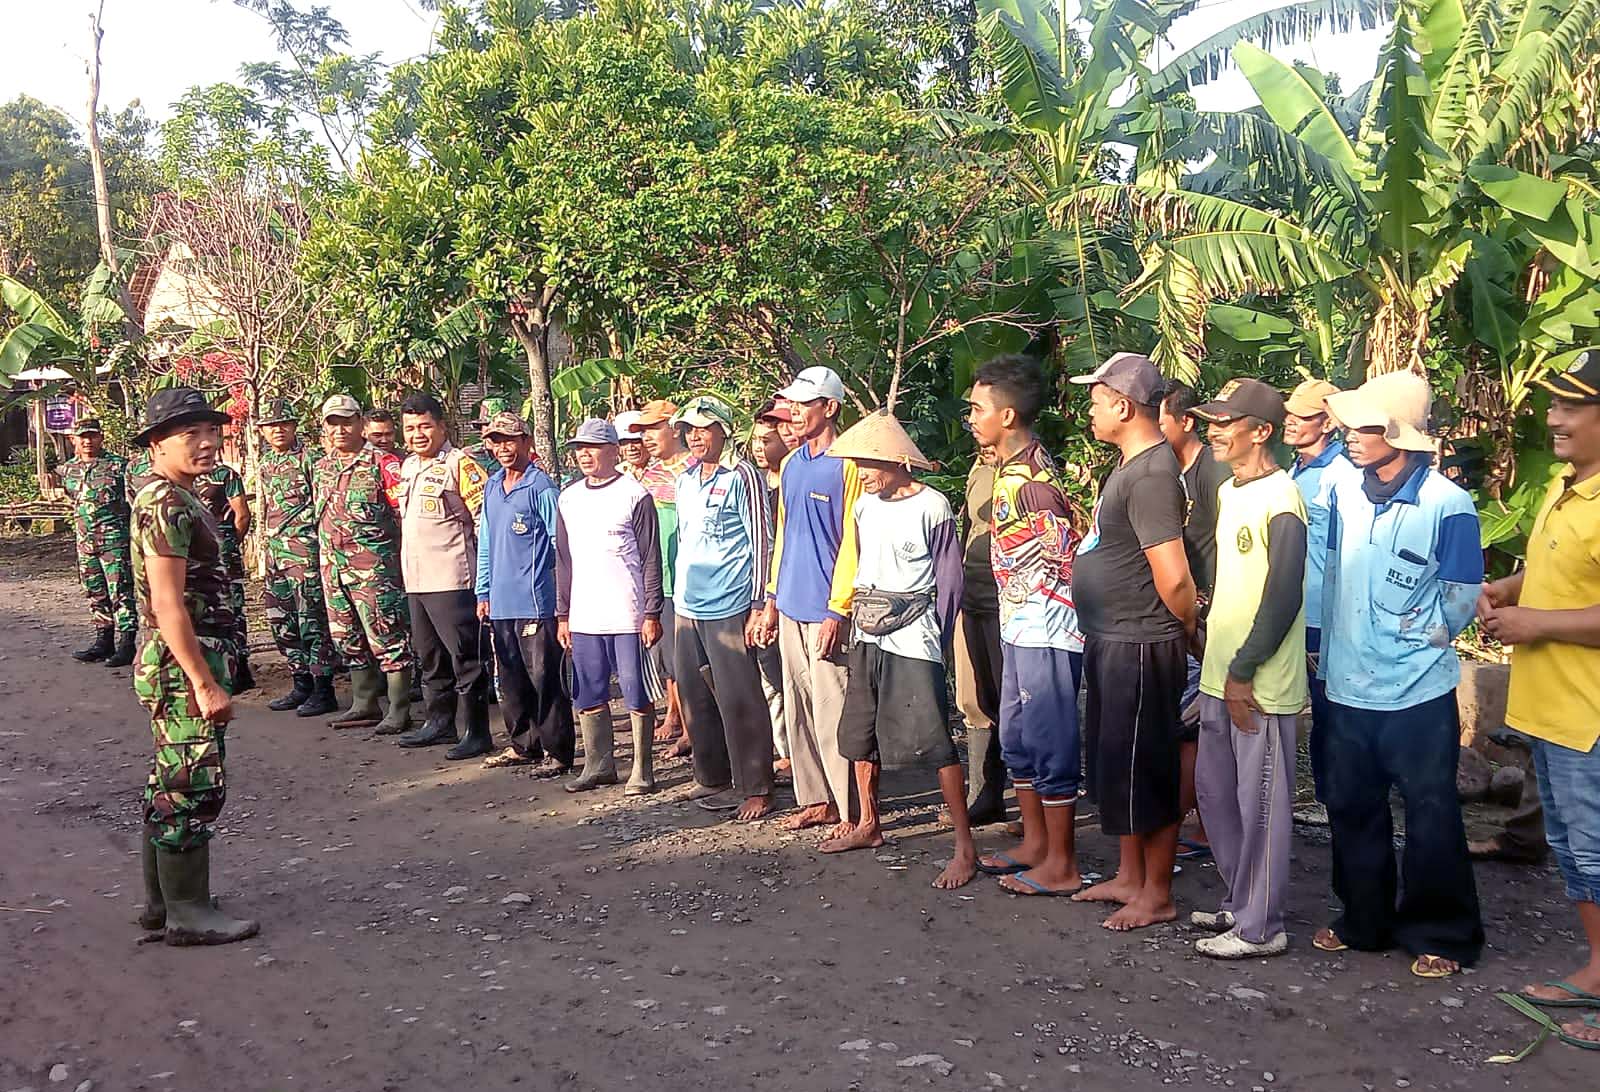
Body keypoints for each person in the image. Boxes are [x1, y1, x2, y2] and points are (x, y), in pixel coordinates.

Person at [1316, 371, 1484, 978]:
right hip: (1347, 684)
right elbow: (1330, 572)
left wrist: (1420, 640)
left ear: (1400, 435)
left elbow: (1462, 595)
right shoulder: (1343, 491)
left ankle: (1442, 930)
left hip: (1418, 691)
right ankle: (1364, 920)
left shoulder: (1448, 503)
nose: (1352, 437)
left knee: (1431, 811)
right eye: (1352, 425)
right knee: (1351, 805)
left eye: (1367, 427)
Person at [1482, 351, 1600, 1042]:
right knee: (1574, 848)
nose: (1554, 418)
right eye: (1554, 404)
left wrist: (1536, 624)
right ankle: (1595, 970)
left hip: (1588, 713)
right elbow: (1565, 567)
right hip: (1552, 708)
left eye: (1572, 407)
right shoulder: (1568, 486)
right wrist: (1512, 588)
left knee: (1595, 850)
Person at [1069, 352, 1197, 931]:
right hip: (1113, 636)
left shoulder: (1151, 477)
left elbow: (1172, 575)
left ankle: (1158, 890)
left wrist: (1189, 631)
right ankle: (1128, 875)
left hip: (1143, 641)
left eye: (1096, 401)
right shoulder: (1131, 466)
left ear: (1122, 405)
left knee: (1149, 766)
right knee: (1118, 760)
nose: (1090, 411)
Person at [820, 412, 975, 889]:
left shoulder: (933, 506)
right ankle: (869, 823)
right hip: (869, 630)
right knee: (861, 733)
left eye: (870, 464)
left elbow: (949, 580)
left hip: (914, 634)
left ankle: (965, 848)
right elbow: (859, 559)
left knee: (935, 739)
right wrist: (845, 614)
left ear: (897, 461)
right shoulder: (864, 506)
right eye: (858, 465)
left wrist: (939, 636)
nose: (862, 474)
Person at [127, 387, 260, 946]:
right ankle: (188, 912)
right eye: (190, 435)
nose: (207, 443)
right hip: (184, 660)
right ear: (157, 445)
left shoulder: (184, 496)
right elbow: (167, 602)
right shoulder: (165, 502)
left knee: (171, 778)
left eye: (213, 432)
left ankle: (163, 904)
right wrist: (203, 680)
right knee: (192, 781)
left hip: (187, 656)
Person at [1188, 379, 1307, 959]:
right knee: (1217, 796)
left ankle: (1264, 927)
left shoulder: (1283, 501)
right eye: (1209, 420)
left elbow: (1282, 598)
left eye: (1224, 422)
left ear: (1261, 431)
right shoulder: (1232, 490)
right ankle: (1241, 902)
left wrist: (1243, 672)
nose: (1212, 430)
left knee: (1259, 805)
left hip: (1257, 685)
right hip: (1220, 675)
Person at [968, 356, 1086, 898]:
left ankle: (1061, 861)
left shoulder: (1034, 481)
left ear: (1008, 415)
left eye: (979, 408)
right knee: (1017, 736)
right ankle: (1037, 844)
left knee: (1048, 739)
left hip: (1048, 626)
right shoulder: (1008, 470)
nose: (971, 416)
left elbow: (1065, 560)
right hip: (1019, 623)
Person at [755, 366, 862, 834]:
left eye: (804, 404)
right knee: (797, 708)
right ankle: (815, 798)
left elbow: (853, 542)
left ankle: (851, 805)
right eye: (792, 405)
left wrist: (838, 609)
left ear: (830, 408)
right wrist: (771, 600)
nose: (794, 413)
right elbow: (783, 534)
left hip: (826, 610)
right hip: (791, 601)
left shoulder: (849, 463)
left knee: (832, 708)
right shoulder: (793, 464)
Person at [670, 396, 776, 821]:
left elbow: (762, 539)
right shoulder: (685, 478)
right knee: (694, 693)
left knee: (739, 697)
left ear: (723, 431)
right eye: (689, 429)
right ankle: (711, 775)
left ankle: (757, 787)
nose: (695, 436)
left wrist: (758, 603)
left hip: (731, 600)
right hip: (687, 600)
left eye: (704, 427)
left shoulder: (742, 476)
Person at [555, 418, 664, 794]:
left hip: (627, 611)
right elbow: (564, 560)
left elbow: (651, 557)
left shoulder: (635, 494)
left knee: (635, 689)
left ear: (614, 451)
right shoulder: (568, 497)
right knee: (588, 689)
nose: (585, 454)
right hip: (585, 613)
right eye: (579, 448)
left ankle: (641, 769)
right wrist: (563, 613)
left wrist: (651, 611)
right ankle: (598, 764)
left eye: (593, 447)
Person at [393, 392, 492, 758]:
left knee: (465, 657)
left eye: (424, 426)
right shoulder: (408, 467)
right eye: (410, 428)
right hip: (416, 579)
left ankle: (477, 731)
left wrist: (485, 578)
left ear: (441, 426)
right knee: (430, 656)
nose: (417, 434)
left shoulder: (460, 464)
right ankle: (439, 723)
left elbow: (482, 520)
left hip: (452, 578)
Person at [474, 410, 573, 775]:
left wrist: (561, 600)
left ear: (527, 442)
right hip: (500, 601)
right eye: (496, 440)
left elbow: (560, 543)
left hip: (536, 601)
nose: (503, 447)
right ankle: (523, 744)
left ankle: (558, 751)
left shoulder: (541, 488)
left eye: (510, 439)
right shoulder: (492, 485)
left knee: (545, 678)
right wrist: (483, 591)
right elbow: (485, 542)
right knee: (511, 677)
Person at [313, 394, 414, 733]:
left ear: (360, 424)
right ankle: (364, 702)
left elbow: (402, 516)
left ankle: (399, 709)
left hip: (375, 571)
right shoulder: (322, 467)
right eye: (333, 423)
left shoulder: (383, 464)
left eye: (346, 421)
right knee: (347, 636)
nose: (340, 429)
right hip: (334, 568)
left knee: (387, 636)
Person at [1159, 381, 1230, 859]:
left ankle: (1210, 825)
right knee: (1190, 724)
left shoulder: (1212, 473)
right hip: (1188, 611)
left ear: (1185, 422)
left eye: (1160, 419)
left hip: (1209, 612)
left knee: (1201, 726)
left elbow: (1231, 546)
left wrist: (1208, 616)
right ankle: (1197, 819)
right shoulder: (1172, 471)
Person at [1284, 378, 1358, 798]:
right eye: (1291, 413)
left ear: (1327, 422)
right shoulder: (1300, 468)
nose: (1292, 422)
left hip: (1320, 615)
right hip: (1295, 609)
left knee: (1328, 709)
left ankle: (1337, 799)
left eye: (1304, 416)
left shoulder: (1341, 475)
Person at [257, 398, 337, 717]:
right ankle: (300, 683)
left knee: (311, 621)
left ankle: (322, 688)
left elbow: (323, 505)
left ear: (294, 426)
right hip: (275, 553)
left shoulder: (312, 459)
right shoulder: (265, 463)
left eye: (284, 424)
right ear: (263, 431)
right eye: (271, 426)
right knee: (282, 621)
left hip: (304, 552)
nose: (278, 430)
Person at [629, 399, 693, 755]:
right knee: (664, 656)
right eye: (643, 431)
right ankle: (673, 714)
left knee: (685, 658)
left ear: (674, 427)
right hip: (657, 578)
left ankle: (692, 726)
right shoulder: (647, 476)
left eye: (653, 429)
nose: (647, 438)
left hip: (687, 578)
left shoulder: (694, 469)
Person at [50, 417, 138, 667]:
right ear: (74, 440)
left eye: (93, 436)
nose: (88, 441)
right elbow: (74, 502)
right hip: (86, 544)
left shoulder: (119, 467)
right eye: (83, 436)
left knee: (120, 591)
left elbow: (134, 501)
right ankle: (103, 641)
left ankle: (127, 644)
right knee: (95, 592)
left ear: (101, 437)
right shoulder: (68, 470)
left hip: (114, 542)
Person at [953, 443, 1006, 825]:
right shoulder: (979, 467)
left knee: (1012, 705)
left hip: (1005, 601)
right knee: (974, 698)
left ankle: (1023, 800)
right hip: (973, 594)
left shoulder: (1027, 473)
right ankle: (982, 796)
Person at [750, 397, 797, 774]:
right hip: (764, 591)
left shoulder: (798, 479)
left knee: (790, 679)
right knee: (770, 678)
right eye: (758, 439)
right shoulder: (756, 484)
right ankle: (785, 748)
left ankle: (800, 755)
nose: (762, 446)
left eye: (770, 437)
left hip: (791, 593)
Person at [194, 455, 254, 693]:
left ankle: (240, 667)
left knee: (233, 609)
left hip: (224, 553)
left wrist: (228, 544)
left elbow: (242, 514)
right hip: (194, 555)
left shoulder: (224, 474)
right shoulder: (179, 477)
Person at [463, 397, 510, 478]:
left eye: (497, 425)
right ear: (481, 428)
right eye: (486, 424)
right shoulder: (468, 455)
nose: (491, 429)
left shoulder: (517, 455)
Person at [615, 410, 651, 480]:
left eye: (636, 440)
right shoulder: (617, 472)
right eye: (624, 442)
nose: (630, 448)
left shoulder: (663, 469)